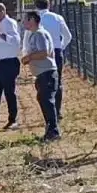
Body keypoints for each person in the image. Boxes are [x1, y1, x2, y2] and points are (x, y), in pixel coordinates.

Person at [20, 11, 61, 141]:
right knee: (44, 101)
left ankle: (53, 132)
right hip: (43, 74)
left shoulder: (39, 34)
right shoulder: (36, 34)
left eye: (25, 20)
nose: (23, 23)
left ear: (32, 20)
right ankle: (50, 130)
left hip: (46, 73)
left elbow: (44, 53)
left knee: (47, 102)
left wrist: (29, 57)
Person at [34, 0, 72, 119]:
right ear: (49, 5)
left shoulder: (35, 19)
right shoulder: (57, 18)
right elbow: (67, 36)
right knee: (57, 81)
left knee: (41, 79)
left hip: (40, 52)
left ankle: (47, 109)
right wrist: (60, 47)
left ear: (36, 6)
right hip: (56, 51)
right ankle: (57, 110)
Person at [0, 3, 22, 130]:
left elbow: (15, 40)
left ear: (2, 11)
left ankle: (13, 119)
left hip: (8, 63)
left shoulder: (8, 23)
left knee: (9, 92)